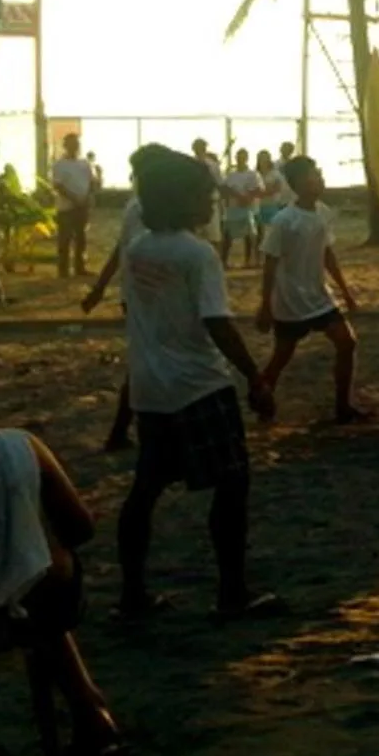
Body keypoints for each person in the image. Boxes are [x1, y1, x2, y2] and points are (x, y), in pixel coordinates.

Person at [115, 147, 276, 619]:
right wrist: (255, 376)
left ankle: (132, 596)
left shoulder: (139, 247)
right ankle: (232, 593)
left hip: (151, 386)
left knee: (145, 489)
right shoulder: (197, 253)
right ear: (183, 200)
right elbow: (218, 324)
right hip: (199, 385)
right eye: (204, 196)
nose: (211, 204)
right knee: (232, 485)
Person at [0, 372, 125, 756]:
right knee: (34, 573)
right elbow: (80, 529)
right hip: (49, 603)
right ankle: (89, 707)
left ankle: (89, 709)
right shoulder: (20, 446)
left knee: (14, 579)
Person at [253, 156, 363, 424]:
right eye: (314, 175)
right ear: (299, 183)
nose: (320, 180)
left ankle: (343, 407)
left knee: (347, 342)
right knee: (282, 356)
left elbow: (327, 254)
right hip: (290, 300)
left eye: (320, 174)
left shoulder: (324, 212)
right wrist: (265, 305)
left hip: (320, 296)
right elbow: (270, 264)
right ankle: (260, 398)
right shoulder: (284, 221)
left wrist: (345, 291)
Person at [82, 145, 162, 452]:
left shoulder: (136, 205)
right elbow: (132, 252)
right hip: (146, 296)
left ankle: (126, 430)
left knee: (148, 361)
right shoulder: (145, 209)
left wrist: (100, 288)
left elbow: (120, 249)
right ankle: (121, 431)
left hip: (137, 295)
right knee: (147, 363)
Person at [51, 131, 95, 279]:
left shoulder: (84, 164)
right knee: (65, 239)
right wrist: (74, 198)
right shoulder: (59, 165)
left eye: (76, 143)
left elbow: (91, 182)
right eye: (72, 143)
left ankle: (79, 267)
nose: (75, 146)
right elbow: (58, 186)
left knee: (81, 238)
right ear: (65, 146)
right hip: (66, 207)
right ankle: (63, 269)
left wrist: (87, 197)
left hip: (82, 206)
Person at [218, 149, 262, 268]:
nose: (240, 159)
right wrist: (233, 196)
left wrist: (247, 198)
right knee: (228, 235)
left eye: (242, 157)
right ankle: (224, 261)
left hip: (247, 208)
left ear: (246, 158)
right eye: (238, 156)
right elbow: (224, 188)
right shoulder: (231, 174)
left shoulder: (253, 174)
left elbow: (258, 190)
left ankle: (249, 261)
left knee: (249, 236)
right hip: (232, 209)